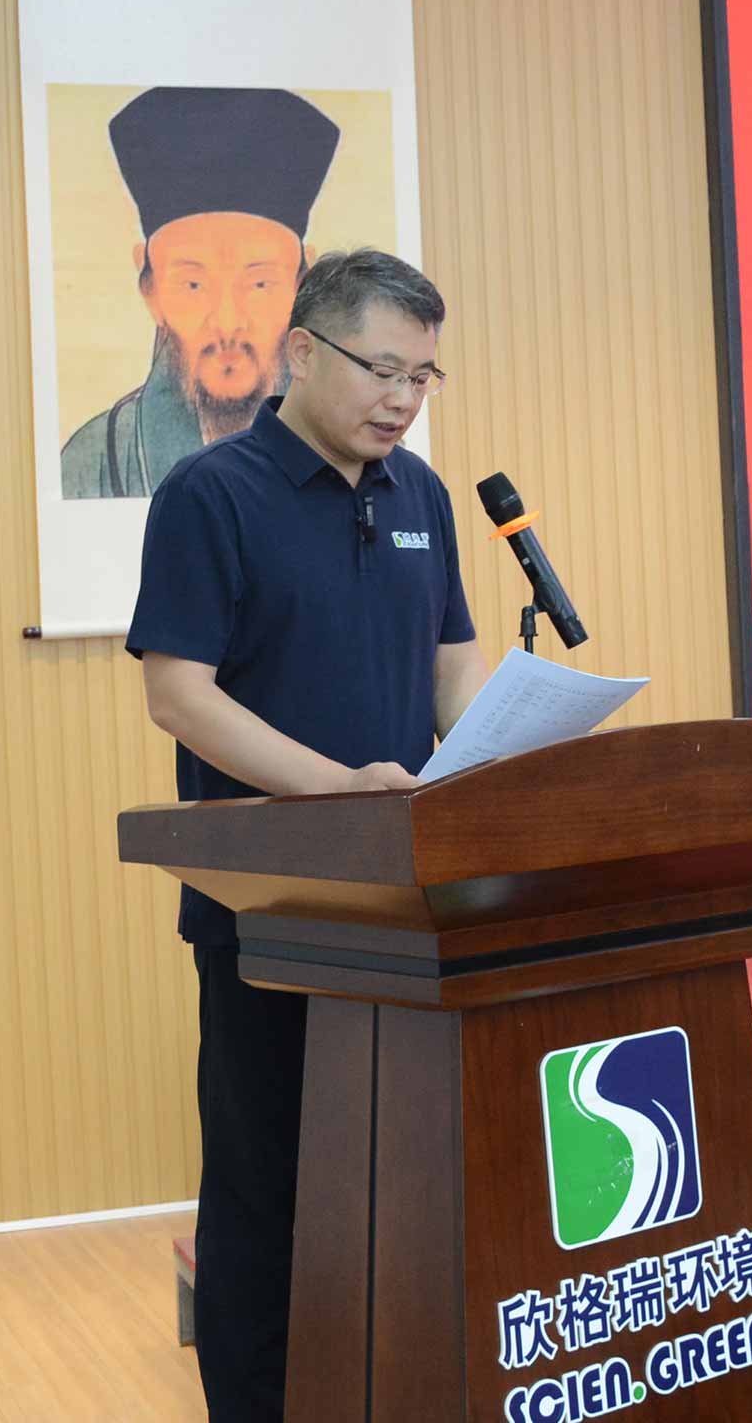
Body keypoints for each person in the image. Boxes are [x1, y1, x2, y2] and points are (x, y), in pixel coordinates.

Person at [126, 247, 490, 1419]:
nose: (403, 398)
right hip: (269, 908)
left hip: (406, 905)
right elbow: (180, 695)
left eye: (423, 376)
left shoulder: (421, 496)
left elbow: (451, 670)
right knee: (267, 1186)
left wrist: (507, 753)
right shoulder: (212, 495)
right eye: (383, 369)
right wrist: (339, 793)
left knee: (404, 1180)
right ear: (303, 352)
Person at [63, 86, 340, 499]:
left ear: (301, 286)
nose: (227, 323)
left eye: (260, 284)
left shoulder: (351, 448)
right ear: (150, 290)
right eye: (193, 285)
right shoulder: (95, 461)